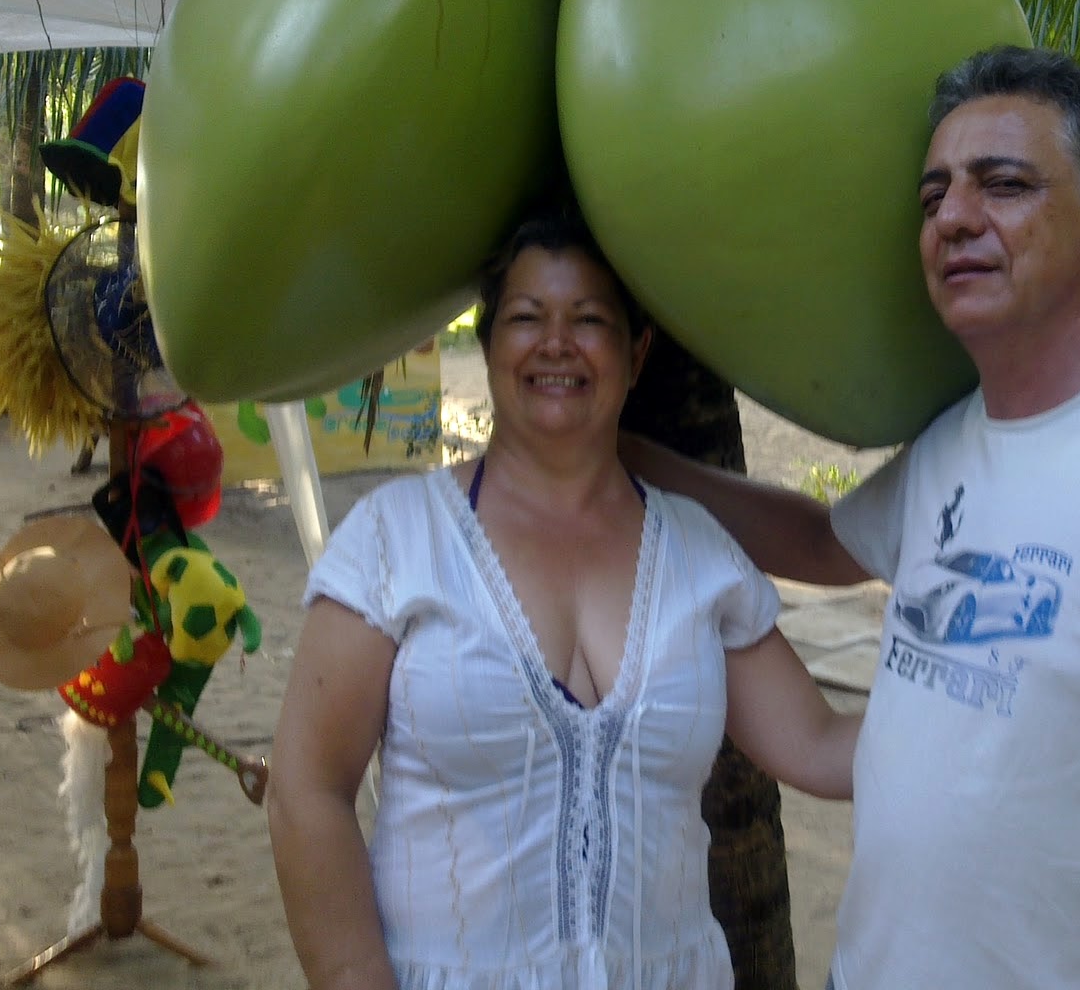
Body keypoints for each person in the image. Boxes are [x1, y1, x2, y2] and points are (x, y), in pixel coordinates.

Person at [622, 46, 1080, 990]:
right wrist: (624, 462)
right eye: (935, 197)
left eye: (1003, 185)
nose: (954, 218)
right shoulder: (956, 440)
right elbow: (821, 542)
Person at [267, 202, 860, 990]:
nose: (556, 343)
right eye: (525, 317)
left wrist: (994, 702)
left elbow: (819, 745)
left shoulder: (698, 552)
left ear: (636, 353)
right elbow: (307, 790)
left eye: (589, 320)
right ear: (488, 344)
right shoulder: (395, 539)